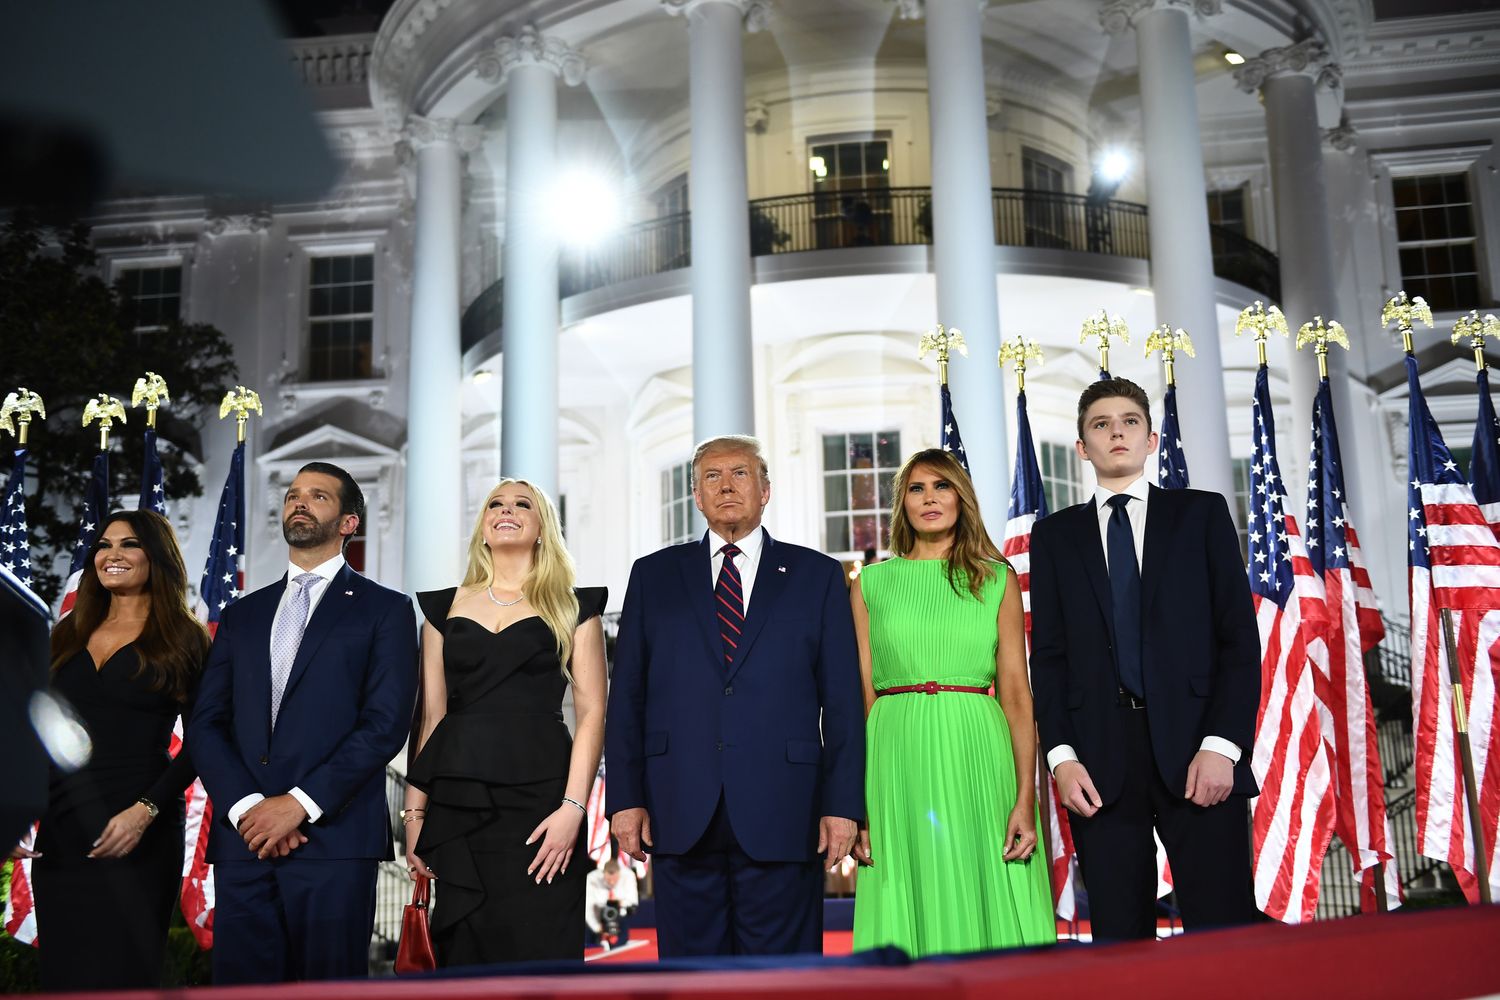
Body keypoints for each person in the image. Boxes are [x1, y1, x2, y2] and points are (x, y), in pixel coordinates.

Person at [606, 434, 865, 957]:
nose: (727, 486)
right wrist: (625, 799)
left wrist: (843, 805)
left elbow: (842, 703)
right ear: (696, 497)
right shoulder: (653, 576)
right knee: (691, 980)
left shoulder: (817, 576)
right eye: (712, 477)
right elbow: (627, 696)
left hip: (786, 810)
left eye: (740, 474)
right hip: (679, 808)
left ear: (765, 490)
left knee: (783, 983)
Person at [1028, 377, 1261, 941]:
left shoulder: (1201, 516)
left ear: (1151, 438)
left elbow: (1238, 640)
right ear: (1082, 447)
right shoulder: (1055, 536)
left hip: (1197, 748)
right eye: (1101, 425)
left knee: (1222, 927)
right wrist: (1061, 758)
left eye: (1129, 422)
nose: (1117, 433)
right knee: (1120, 938)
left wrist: (1221, 746)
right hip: (1099, 760)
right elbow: (1050, 657)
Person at [187, 462, 418, 983]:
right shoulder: (243, 613)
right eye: (293, 495)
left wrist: (298, 805)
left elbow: (384, 724)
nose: (299, 502)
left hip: (332, 840)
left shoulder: (386, 610)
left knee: (326, 990)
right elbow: (206, 723)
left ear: (348, 522)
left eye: (317, 496)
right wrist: (251, 808)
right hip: (245, 842)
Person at [850, 449, 1055, 956]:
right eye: (916, 489)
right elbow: (862, 695)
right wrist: (858, 808)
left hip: (977, 750)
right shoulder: (870, 585)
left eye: (941, 486)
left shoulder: (996, 579)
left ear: (961, 499)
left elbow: (1015, 693)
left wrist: (1024, 800)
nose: (930, 499)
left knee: (982, 875)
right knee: (907, 880)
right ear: (902, 504)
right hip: (895, 752)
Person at [403, 478, 606, 966]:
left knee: (541, 953)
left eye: (522, 504)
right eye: (495, 503)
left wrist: (573, 809)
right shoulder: (441, 608)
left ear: (542, 527)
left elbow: (593, 711)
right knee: (464, 953)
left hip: (544, 806)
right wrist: (414, 817)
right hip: (457, 804)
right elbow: (431, 716)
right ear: (483, 525)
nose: (506, 510)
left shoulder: (576, 606)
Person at [20, 510, 209, 990]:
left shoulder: (184, 639)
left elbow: (204, 741)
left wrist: (144, 811)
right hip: (62, 830)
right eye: (104, 545)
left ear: (157, 557)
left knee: (124, 975)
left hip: (138, 829)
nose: (113, 555)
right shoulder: (67, 634)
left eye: (129, 545)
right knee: (63, 974)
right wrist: (21, 809)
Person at [584, 859, 639, 949]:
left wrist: (619, 902)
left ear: (619, 874)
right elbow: (588, 907)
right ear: (603, 874)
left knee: (618, 942)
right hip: (598, 915)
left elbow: (633, 901)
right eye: (609, 879)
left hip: (620, 916)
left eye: (614, 879)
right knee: (590, 943)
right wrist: (598, 928)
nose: (612, 882)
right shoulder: (592, 878)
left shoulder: (628, 876)